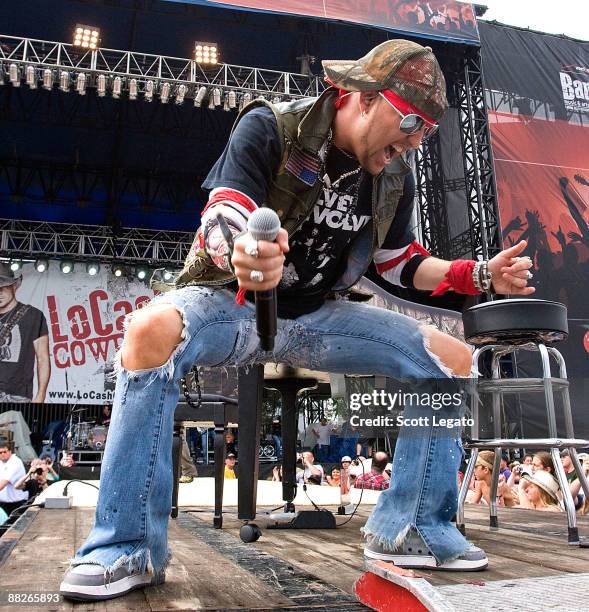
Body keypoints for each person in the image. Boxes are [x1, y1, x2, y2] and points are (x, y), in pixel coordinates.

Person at [61, 39, 535, 600]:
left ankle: (412, 528)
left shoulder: (391, 177)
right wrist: (242, 252)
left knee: (448, 360)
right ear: (359, 98)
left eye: (426, 132)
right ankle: (126, 545)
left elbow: (399, 265)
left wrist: (478, 276)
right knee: (148, 332)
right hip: (233, 305)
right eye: (410, 121)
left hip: (317, 318)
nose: (414, 140)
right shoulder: (272, 129)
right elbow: (225, 212)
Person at [0, 263, 50, 402]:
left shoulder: (33, 315)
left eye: (3, 288)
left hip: (18, 396)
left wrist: (40, 395)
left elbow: (43, 358)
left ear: (14, 286)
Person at [0, 441, 29, 519]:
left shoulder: (15, 462)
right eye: (0, 452)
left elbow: (2, 484)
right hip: (3, 504)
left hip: (16, 504)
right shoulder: (1, 462)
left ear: (10, 451)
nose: (2, 454)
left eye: (4, 452)